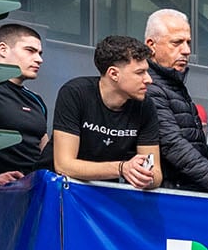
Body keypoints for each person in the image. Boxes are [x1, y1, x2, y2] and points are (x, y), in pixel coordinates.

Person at [139, 9, 208, 215]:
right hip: (168, 204)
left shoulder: (173, 84)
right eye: (176, 42)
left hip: (183, 197)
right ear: (151, 45)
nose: (186, 50)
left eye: (188, 43)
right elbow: (173, 145)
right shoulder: (150, 87)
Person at [52, 35, 161, 190]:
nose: (149, 79)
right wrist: (121, 168)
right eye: (140, 73)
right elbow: (64, 165)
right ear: (114, 74)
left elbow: (156, 173)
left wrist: (145, 177)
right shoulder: (75, 93)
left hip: (106, 194)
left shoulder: (145, 106)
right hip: (60, 192)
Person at [0, 13, 52, 188]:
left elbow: (46, 154)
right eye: (30, 50)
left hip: (30, 196)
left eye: (40, 53)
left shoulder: (37, 101)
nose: (39, 59)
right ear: (3, 49)